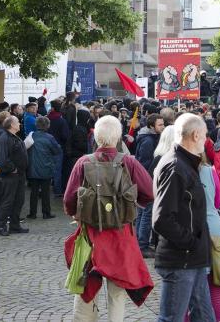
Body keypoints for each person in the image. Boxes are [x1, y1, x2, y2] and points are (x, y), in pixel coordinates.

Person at [64, 115, 154, 321]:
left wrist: (76, 215)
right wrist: (132, 203)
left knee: (84, 285)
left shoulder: (83, 162)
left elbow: (69, 199)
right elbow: (149, 192)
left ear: (96, 137)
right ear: (118, 137)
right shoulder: (129, 162)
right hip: (121, 234)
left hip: (90, 235)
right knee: (117, 291)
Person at [153, 113, 216, 322]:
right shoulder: (175, 166)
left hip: (192, 258)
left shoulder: (186, 163)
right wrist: (191, 243)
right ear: (196, 135)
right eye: (206, 135)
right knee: (171, 318)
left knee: (205, 317)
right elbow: (162, 219)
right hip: (181, 259)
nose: (207, 140)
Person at [199, 150, 220, 322]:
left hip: (197, 231)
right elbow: (218, 201)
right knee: (216, 283)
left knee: (189, 287)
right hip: (216, 228)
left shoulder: (180, 170)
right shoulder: (210, 171)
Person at [0, 115, 29, 236]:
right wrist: (12, 168)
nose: (19, 124)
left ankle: (15, 225)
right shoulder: (4, 137)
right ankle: (1, 225)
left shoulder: (13, 136)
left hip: (19, 174)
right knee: (7, 201)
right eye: (18, 122)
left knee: (18, 200)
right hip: (10, 175)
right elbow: (2, 157)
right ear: (12, 125)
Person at [134, 113, 164, 257]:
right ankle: (142, 245)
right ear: (152, 126)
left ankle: (139, 242)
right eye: (160, 125)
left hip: (143, 181)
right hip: (146, 182)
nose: (162, 127)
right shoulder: (148, 141)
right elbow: (145, 164)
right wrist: (147, 182)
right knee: (146, 213)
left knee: (142, 213)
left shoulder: (149, 138)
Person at [25, 116, 60, 220]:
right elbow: (57, 151)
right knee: (45, 192)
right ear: (47, 125)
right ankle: (46, 212)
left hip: (33, 167)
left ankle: (32, 213)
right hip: (46, 167)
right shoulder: (50, 138)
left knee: (33, 192)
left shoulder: (31, 136)